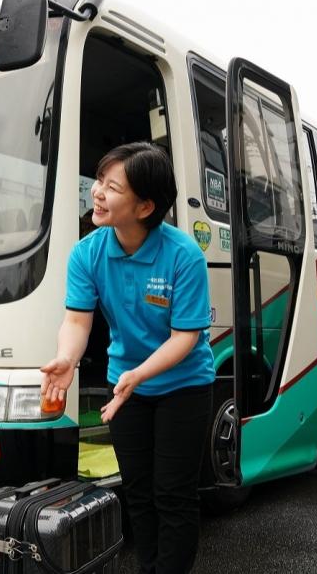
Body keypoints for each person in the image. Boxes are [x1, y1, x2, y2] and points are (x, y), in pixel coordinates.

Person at [40, 142, 215, 574]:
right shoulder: (88, 253)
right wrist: (67, 358)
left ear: (144, 206)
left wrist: (139, 374)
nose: (97, 192)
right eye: (100, 181)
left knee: (173, 493)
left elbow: (186, 337)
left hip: (183, 386)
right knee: (138, 491)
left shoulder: (184, 256)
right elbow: (78, 322)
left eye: (112, 186)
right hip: (127, 388)